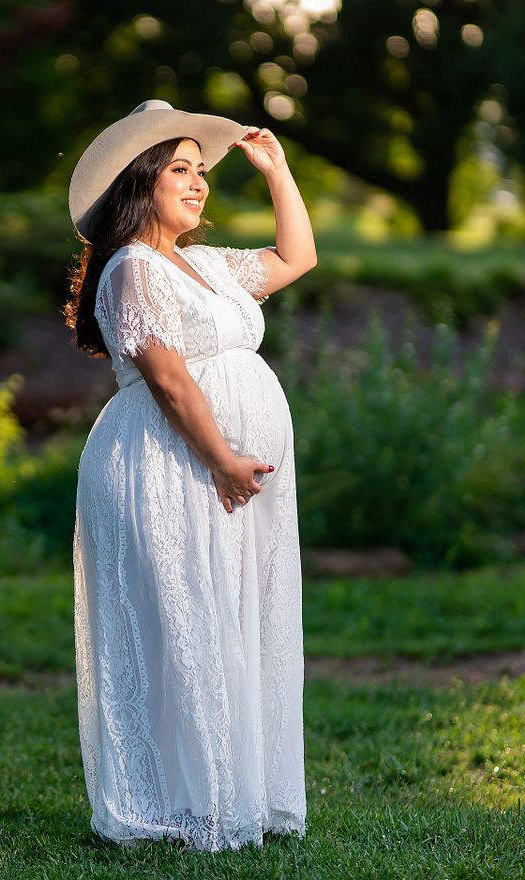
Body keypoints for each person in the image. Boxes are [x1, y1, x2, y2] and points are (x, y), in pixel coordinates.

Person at [64, 99, 317, 852]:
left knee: (230, 616)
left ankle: (225, 796)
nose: (199, 183)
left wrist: (279, 173)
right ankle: (181, 807)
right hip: (167, 467)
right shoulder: (131, 269)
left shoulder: (204, 265)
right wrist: (223, 459)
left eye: (203, 171)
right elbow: (169, 378)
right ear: (142, 180)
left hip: (218, 472)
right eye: (181, 169)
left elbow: (295, 260)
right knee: (184, 624)